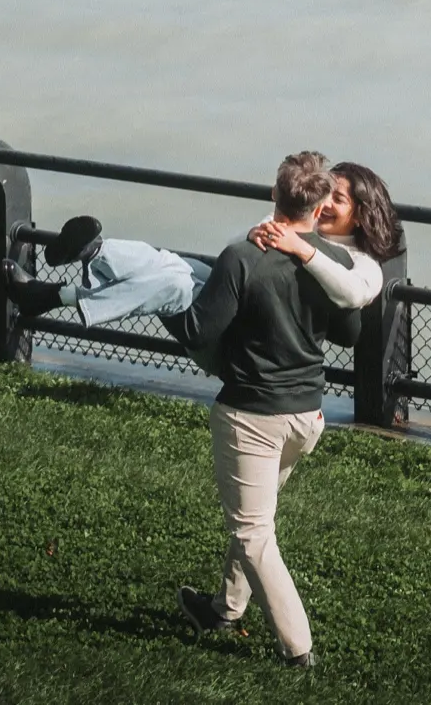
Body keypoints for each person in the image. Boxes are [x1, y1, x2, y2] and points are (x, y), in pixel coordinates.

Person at [162, 150, 362, 669]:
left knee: (252, 533)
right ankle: (223, 610)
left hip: (250, 417)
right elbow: (349, 332)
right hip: (306, 418)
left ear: (274, 194)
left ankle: (299, 650)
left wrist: (163, 298)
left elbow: (198, 331)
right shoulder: (332, 262)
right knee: (257, 519)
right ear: (319, 207)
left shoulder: (241, 257)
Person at [9, 162, 392, 327]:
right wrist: (256, 233)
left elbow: (353, 295)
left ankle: (61, 294)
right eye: (326, 194)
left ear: (360, 215)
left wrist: (303, 250)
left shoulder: (363, 262)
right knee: (169, 263)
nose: (326, 205)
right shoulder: (295, 223)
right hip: (232, 298)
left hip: (245, 331)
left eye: (338, 200)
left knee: (173, 283)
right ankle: (94, 253)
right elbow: (232, 254)